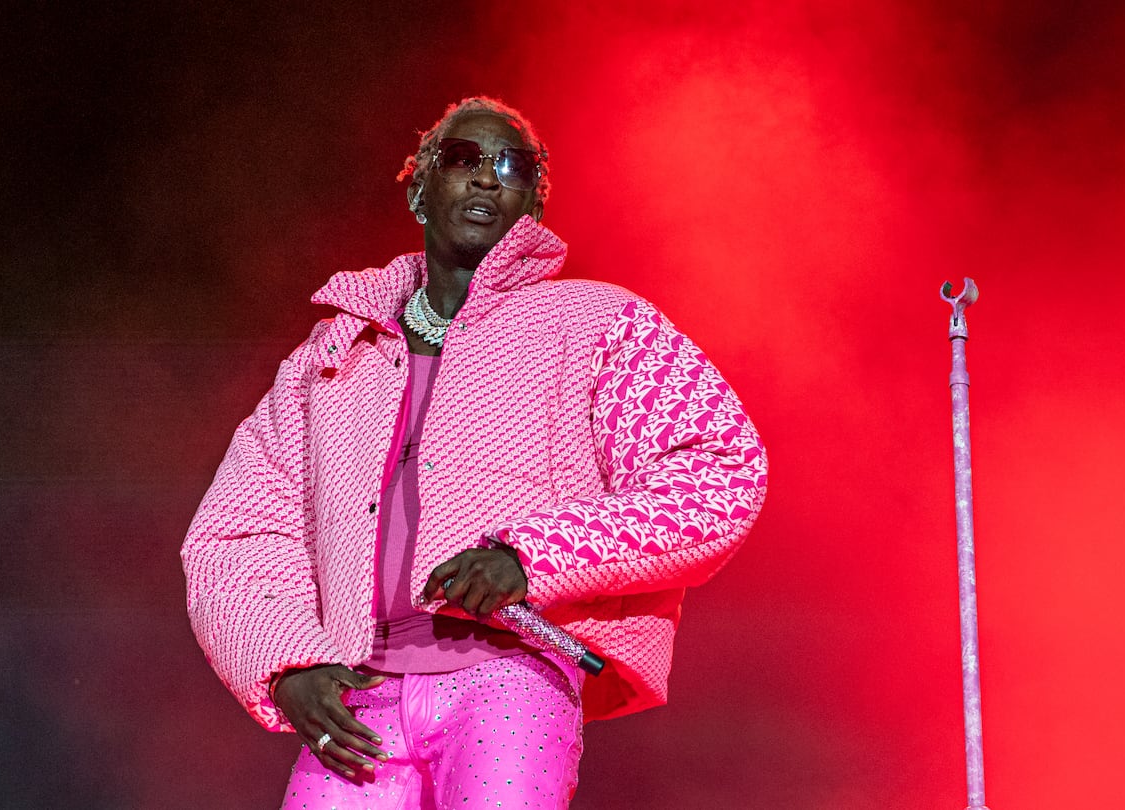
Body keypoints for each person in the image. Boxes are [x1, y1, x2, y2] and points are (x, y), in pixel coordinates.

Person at [182, 96, 767, 809]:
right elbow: (235, 534)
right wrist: (286, 667)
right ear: (419, 189)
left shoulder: (595, 324)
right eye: (464, 158)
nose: (489, 178)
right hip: (357, 694)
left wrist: (532, 558)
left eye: (513, 165)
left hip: (510, 681)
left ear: (534, 205)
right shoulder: (334, 352)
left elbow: (717, 474)